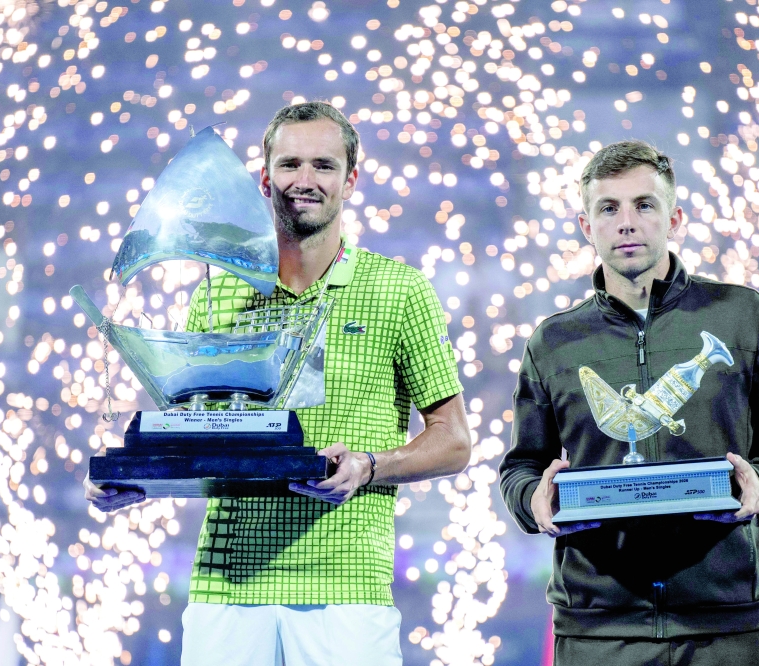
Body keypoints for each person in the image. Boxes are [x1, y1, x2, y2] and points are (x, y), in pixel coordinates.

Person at [85, 101, 471, 665]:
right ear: (265, 178)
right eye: (290, 165)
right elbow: (199, 437)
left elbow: (455, 441)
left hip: (345, 587)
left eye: (323, 165)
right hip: (227, 582)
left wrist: (369, 464)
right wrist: (137, 478)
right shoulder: (216, 295)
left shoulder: (399, 290)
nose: (305, 181)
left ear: (350, 179)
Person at [498, 140, 759, 665]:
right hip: (597, 634)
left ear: (674, 218)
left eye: (643, 205)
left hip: (728, 627)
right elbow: (521, 467)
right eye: (609, 208)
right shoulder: (553, 343)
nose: (626, 223)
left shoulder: (743, 316)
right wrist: (533, 501)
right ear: (587, 226)